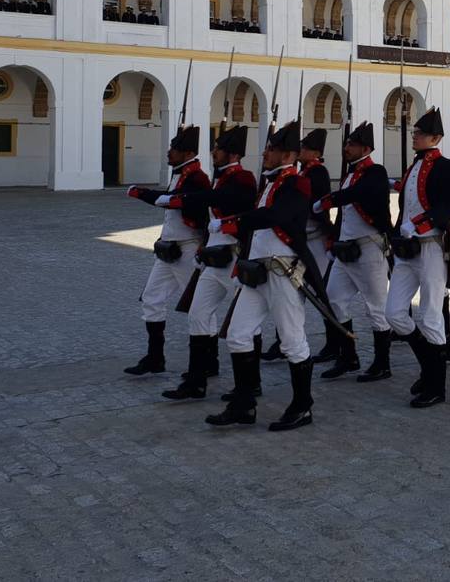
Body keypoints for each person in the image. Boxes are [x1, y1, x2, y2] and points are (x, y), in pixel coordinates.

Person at [206, 121, 323, 431]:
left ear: (286, 154)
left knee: (292, 340)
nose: (264, 153)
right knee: (238, 334)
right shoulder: (269, 182)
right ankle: (243, 404)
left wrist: (233, 222)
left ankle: (302, 406)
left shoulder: (297, 183)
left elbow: (277, 217)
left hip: (283, 270)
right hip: (256, 270)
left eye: (270, 149)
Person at [160, 125, 259, 400]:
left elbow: (233, 203)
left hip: (233, 256)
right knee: (198, 313)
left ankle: (253, 383)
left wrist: (182, 199)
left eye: (218, 149)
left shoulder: (243, 178)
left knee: (248, 321)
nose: (213, 152)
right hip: (212, 256)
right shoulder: (220, 177)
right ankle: (196, 380)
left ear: (233, 154)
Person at [385, 107, 450, 408]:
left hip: (430, 246)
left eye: (419, 133)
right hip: (407, 248)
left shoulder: (447, 166)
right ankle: (427, 367)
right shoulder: (413, 166)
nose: (414, 136)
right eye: (414, 132)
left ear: (436, 137)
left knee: (431, 314)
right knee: (394, 313)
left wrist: (421, 224)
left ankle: (436, 386)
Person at [123, 126, 210, 375]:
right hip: (168, 249)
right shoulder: (180, 173)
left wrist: (144, 194)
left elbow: (181, 201)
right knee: (151, 298)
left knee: (197, 305)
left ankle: (207, 362)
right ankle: (154, 358)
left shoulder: (197, 177)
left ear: (189, 153)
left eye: (175, 150)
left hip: (188, 248)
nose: (169, 153)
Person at [314, 122, 395, 381]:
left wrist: (331, 199)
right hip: (345, 250)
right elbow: (344, 215)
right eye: (347, 143)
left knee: (377, 308)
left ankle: (382, 363)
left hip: (369, 249)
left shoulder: (375, 172)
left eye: (352, 144)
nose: (346, 147)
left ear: (366, 148)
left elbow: (360, 194)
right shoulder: (350, 174)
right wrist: (333, 241)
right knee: (334, 300)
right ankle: (348, 357)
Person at [298, 129, 339, 362]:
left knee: (325, 293)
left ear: (315, 152)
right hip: (302, 238)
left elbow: (318, 201)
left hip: (316, 237)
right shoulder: (303, 171)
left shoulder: (318, 172)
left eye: (304, 148)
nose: (300, 151)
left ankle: (334, 343)